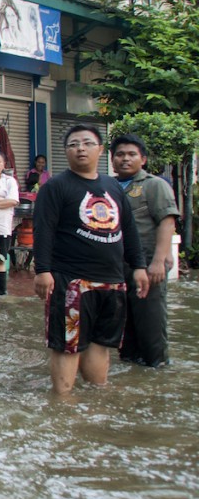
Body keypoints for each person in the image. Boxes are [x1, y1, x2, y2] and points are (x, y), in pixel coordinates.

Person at [33, 124, 149, 395]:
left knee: (101, 343)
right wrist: (43, 270)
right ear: (66, 152)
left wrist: (139, 267)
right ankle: (62, 405)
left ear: (100, 150)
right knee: (67, 344)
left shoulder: (112, 186)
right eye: (73, 144)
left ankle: (97, 402)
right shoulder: (56, 187)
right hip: (71, 280)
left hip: (112, 280)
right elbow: (43, 230)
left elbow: (128, 229)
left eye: (87, 143)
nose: (80, 148)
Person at [110, 134, 180, 367]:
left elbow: (167, 221)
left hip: (148, 262)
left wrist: (159, 260)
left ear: (143, 159)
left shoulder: (154, 185)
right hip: (118, 265)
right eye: (120, 155)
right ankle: (131, 365)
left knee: (150, 321)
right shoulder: (108, 186)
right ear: (112, 159)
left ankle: (157, 368)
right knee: (124, 323)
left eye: (132, 155)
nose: (125, 159)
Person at [0, 150, 20, 296]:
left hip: (2, 226)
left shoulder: (9, 181)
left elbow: (13, 201)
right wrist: (2, 200)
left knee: (0, 259)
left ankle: (1, 293)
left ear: (3, 164)